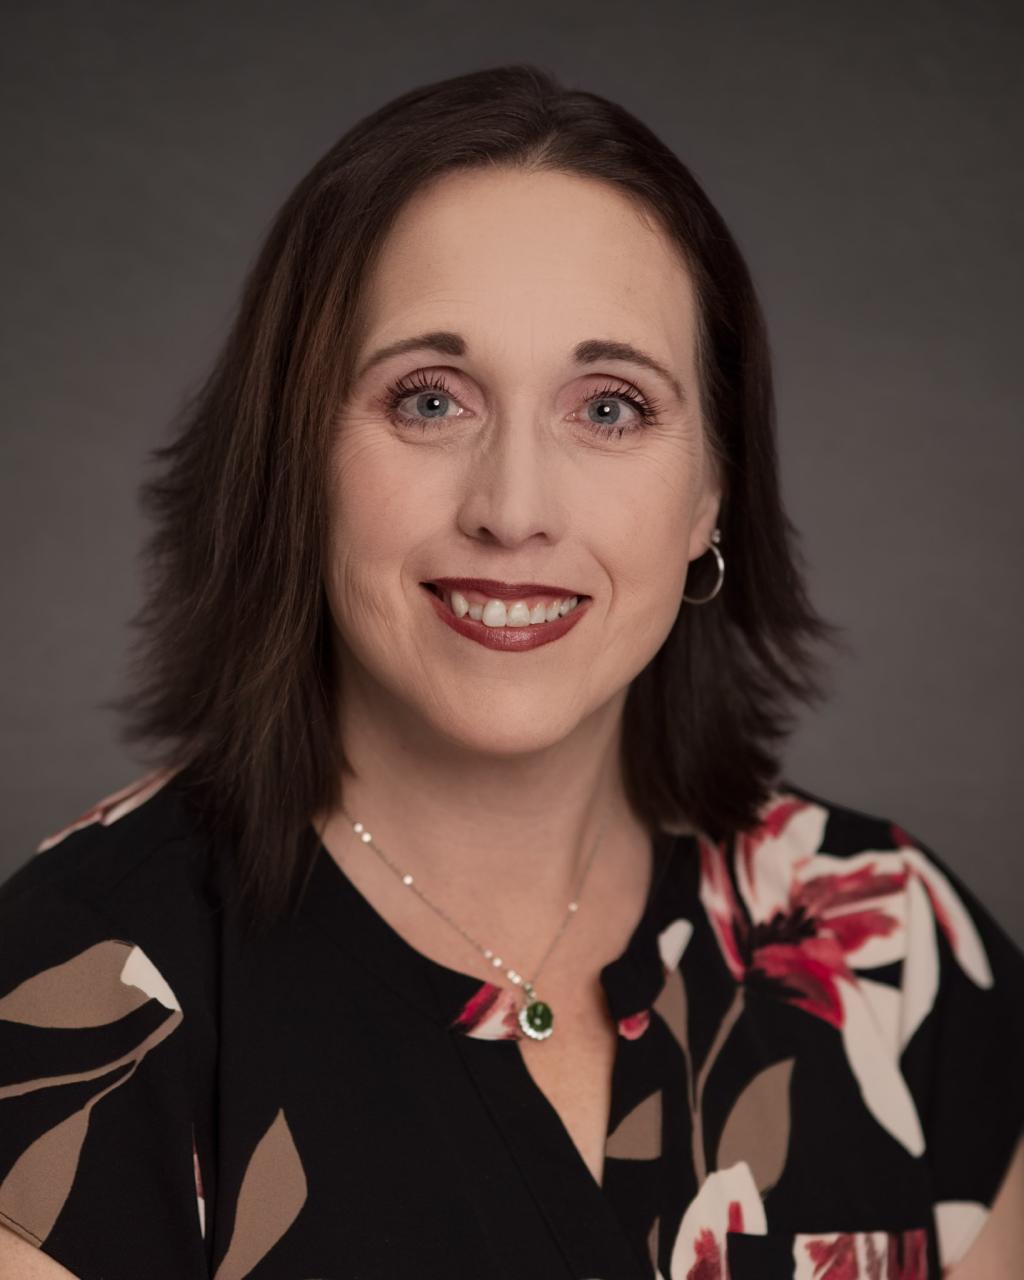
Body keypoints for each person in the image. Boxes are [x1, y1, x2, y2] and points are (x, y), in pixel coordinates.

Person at [1, 63, 1021, 1280]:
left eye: (610, 408)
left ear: (711, 493)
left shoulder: (896, 945)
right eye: (428, 399)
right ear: (292, 460)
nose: (513, 508)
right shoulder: (77, 1003)